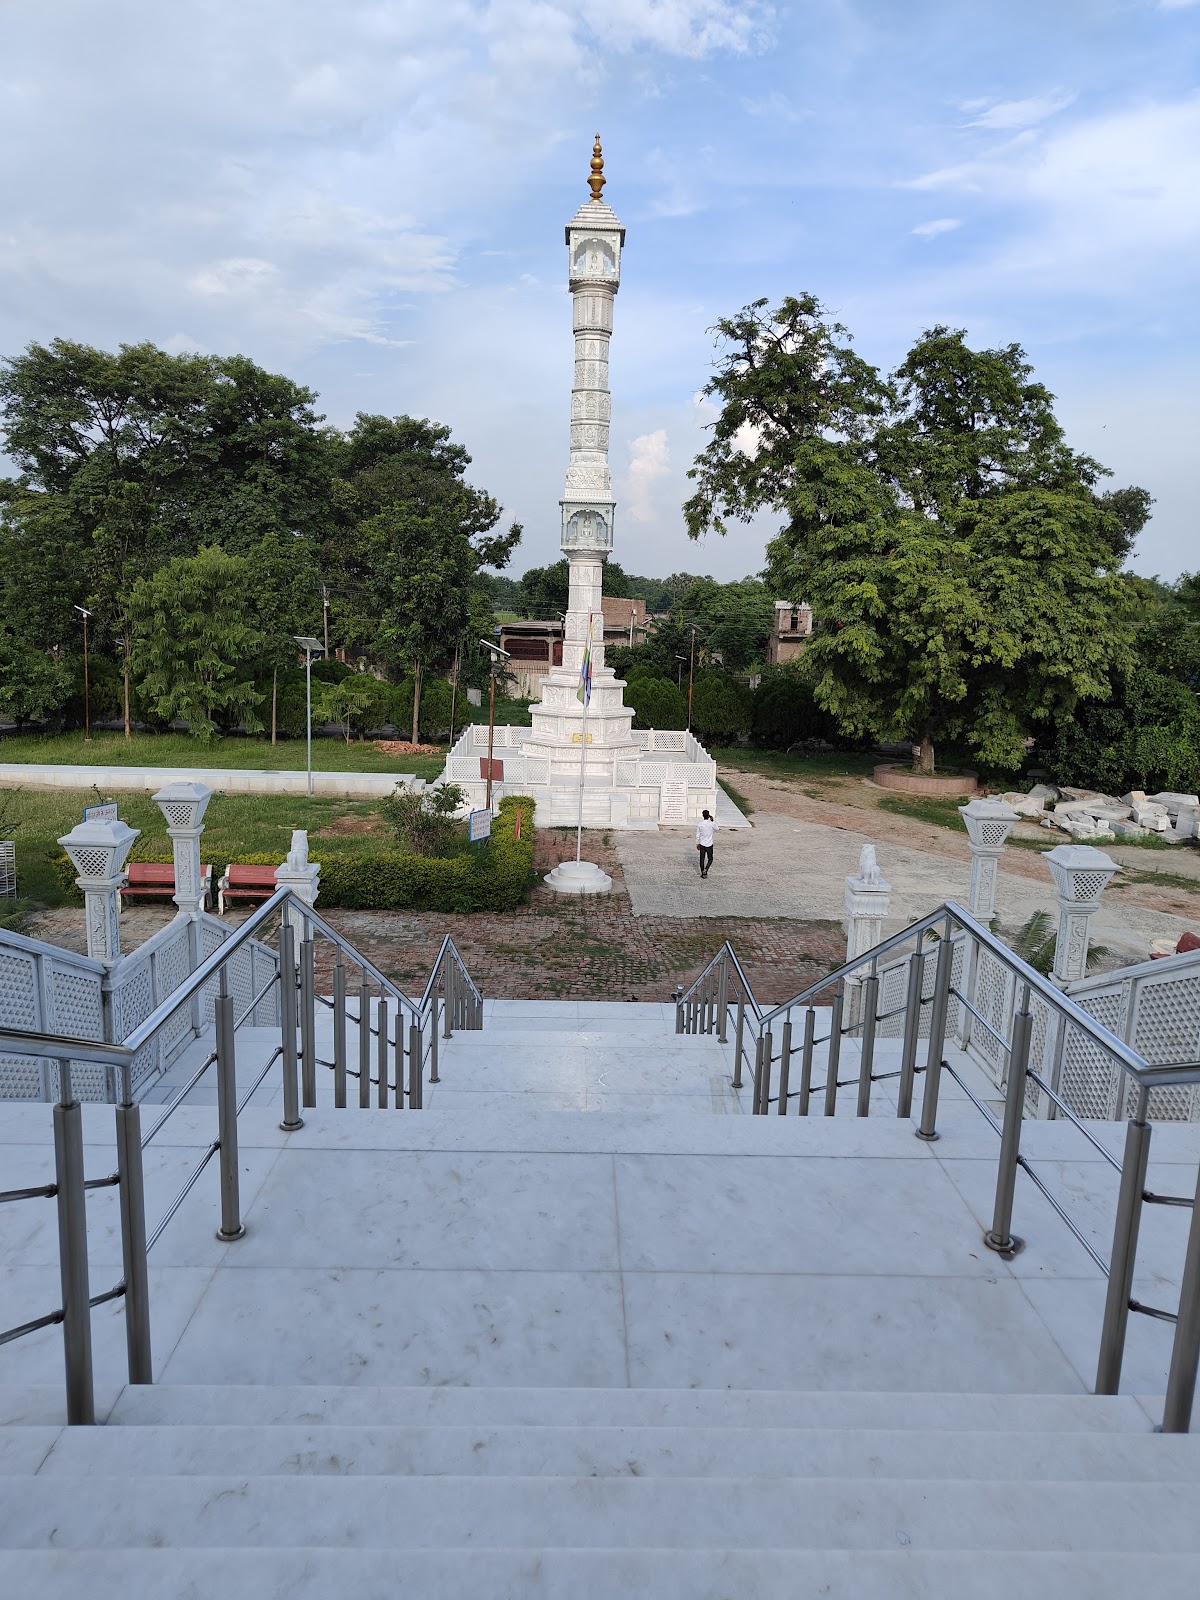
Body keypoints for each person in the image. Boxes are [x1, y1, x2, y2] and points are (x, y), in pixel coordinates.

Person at [695, 808, 717, 879]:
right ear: (708, 816)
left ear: (702, 816)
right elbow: (717, 828)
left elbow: (698, 835)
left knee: (702, 858)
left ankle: (702, 872)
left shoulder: (700, 824)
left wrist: (697, 843)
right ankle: (706, 869)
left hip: (702, 843)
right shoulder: (711, 824)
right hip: (709, 844)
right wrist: (712, 820)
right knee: (710, 858)